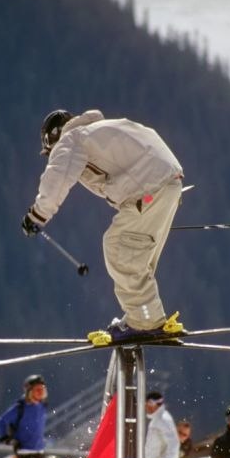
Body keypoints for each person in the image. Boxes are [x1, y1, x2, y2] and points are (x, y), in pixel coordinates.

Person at [22, 109, 184, 341]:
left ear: (52, 139)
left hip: (150, 189)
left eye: (50, 152)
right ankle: (142, 314)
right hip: (168, 184)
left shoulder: (71, 139)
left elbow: (58, 176)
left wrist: (37, 215)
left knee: (117, 247)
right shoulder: (101, 129)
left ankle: (146, 321)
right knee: (137, 255)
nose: (52, 156)